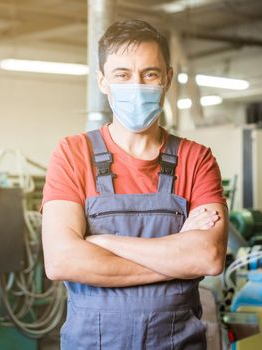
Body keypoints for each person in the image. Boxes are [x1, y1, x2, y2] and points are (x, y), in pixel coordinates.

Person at [41, 19, 228, 350]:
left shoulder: (196, 160)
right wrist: (176, 256)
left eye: (150, 74)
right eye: (122, 75)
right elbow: (61, 260)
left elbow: (207, 257)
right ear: (103, 82)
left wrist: (104, 242)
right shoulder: (72, 154)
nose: (137, 85)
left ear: (167, 78)